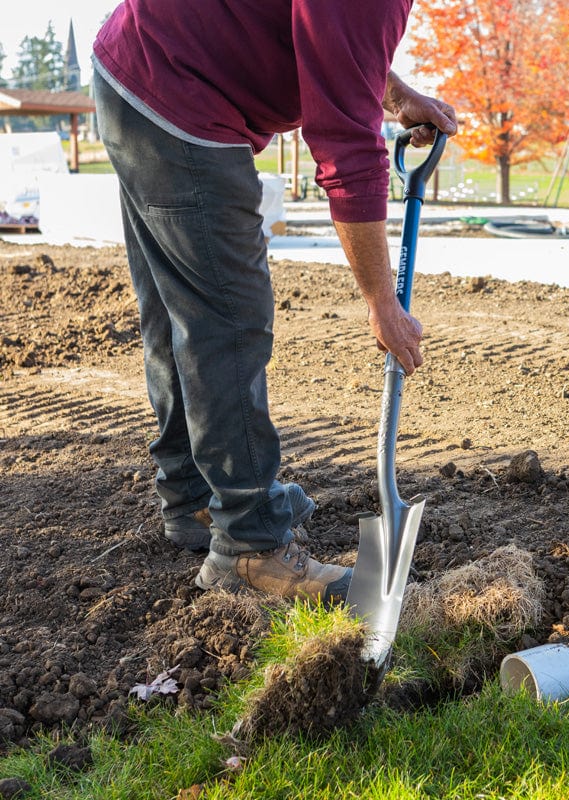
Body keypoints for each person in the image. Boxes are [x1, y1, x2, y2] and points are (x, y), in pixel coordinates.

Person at [91, 1, 457, 607]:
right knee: (227, 320)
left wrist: (387, 91)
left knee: (181, 307)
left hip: (136, 68)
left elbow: (321, 30)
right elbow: (344, 146)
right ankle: (250, 548)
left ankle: (197, 499)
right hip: (180, 95)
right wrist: (379, 301)